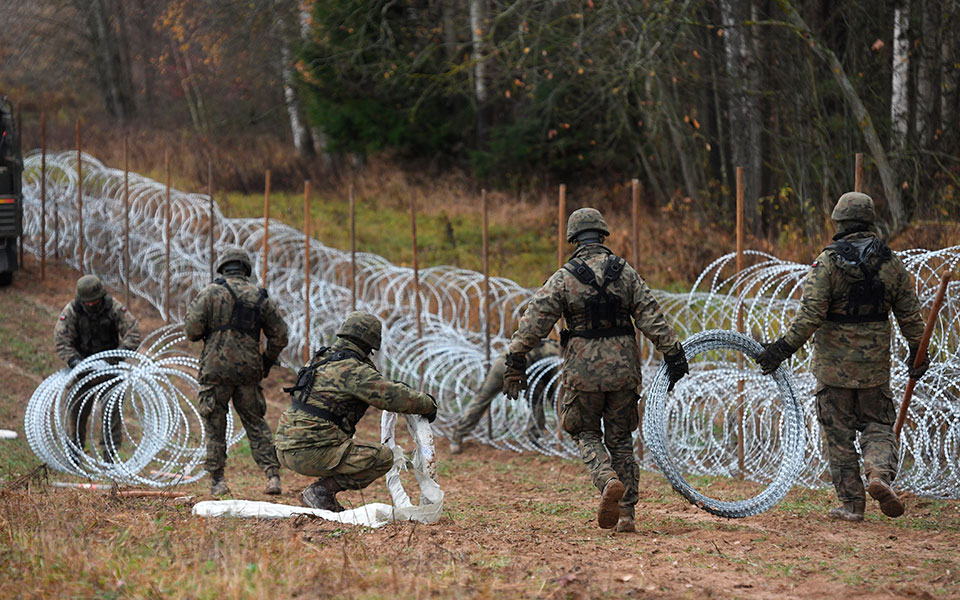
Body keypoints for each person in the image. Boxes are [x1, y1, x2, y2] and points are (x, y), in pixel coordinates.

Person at [504, 208, 688, 533]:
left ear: (573, 239)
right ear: (603, 235)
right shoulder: (625, 272)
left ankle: (606, 480)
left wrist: (515, 358)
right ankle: (627, 514)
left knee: (585, 432)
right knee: (621, 440)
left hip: (582, 372)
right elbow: (651, 316)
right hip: (624, 371)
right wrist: (673, 353)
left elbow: (535, 321)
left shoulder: (564, 277)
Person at [756, 192, 928, 522]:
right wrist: (918, 352)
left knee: (838, 436)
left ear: (839, 222)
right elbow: (910, 314)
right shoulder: (890, 262)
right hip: (874, 368)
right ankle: (878, 474)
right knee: (878, 424)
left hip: (833, 369)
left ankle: (852, 505)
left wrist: (781, 349)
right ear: (869, 221)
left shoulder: (828, 262)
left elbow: (810, 315)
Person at [275, 311, 438, 512]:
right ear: (369, 344)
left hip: (284, 447)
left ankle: (321, 493)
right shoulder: (353, 369)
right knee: (381, 457)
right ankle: (320, 492)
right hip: (309, 452)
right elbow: (393, 397)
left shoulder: (320, 359)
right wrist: (428, 404)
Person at [184, 247, 289, 497]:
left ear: (223, 268)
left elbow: (192, 331)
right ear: (245, 269)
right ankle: (272, 476)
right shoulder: (259, 296)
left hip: (215, 369)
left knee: (215, 425)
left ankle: (218, 481)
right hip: (248, 371)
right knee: (256, 423)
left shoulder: (210, 293)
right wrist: (266, 361)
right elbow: (280, 335)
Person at [54, 274, 141, 460]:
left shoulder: (113, 308)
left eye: (95, 302)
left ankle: (110, 456)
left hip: (109, 369)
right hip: (82, 371)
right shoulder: (72, 311)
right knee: (76, 412)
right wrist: (75, 361)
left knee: (111, 413)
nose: (92, 305)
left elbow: (133, 333)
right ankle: (74, 453)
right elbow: (61, 340)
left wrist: (114, 357)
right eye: (88, 303)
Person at [449, 338, 560, 454]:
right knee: (536, 404)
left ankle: (457, 436)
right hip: (520, 369)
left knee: (481, 400)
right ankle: (533, 439)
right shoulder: (555, 353)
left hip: (502, 364)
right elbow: (554, 390)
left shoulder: (538, 341)